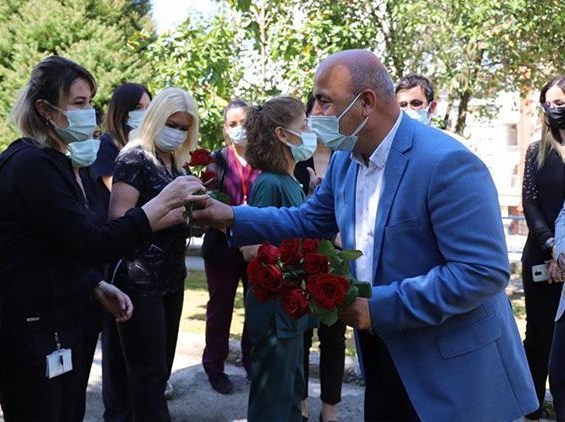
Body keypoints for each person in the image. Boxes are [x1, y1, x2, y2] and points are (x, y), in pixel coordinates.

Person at [192, 49, 538, 421]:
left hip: (453, 372)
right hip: (381, 355)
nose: (315, 115)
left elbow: (481, 272)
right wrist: (230, 216)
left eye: (324, 102)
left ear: (366, 104)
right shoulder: (346, 159)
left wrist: (377, 308)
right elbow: (308, 219)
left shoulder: (446, 163)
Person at [0, 57, 204, 422]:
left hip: (66, 322)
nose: (91, 113)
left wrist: (94, 285)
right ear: (45, 109)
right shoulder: (31, 165)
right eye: (79, 103)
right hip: (35, 330)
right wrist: (160, 205)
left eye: (91, 102)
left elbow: (60, 245)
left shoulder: (59, 163)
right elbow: (90, 240)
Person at [109, 87, 199, 421]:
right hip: (139, 279)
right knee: (146, 376)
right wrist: (177, 215)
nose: (177, 132)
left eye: (184, 127)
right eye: (172, 124)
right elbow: (118, 220)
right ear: (156, 119)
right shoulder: (135, 157)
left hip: (172, 278)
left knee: (159, 372)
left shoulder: (174, 162)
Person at [239, 96, 316, 421]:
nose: (311, 131)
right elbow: (250, 248)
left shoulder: (290, 181)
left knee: (290, 396)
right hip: (275, 314)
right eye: (304, 125)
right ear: (283, 135)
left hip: (292, 311)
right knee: (273, 403)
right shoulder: (269, 183)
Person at [92, 82, 152, 422]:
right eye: (139, 106)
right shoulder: (107, 147)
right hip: (113, 252)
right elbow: (122, 197)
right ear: (122, 111)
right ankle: (117, 411)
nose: (145, 113)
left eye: (149, 105)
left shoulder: (143, 148)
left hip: (138, 253)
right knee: (115, 339)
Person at [200, 98, 258, 394]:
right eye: (232, 124)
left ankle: (252, 363)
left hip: (258, 249)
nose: (239, 129)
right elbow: (204, 204)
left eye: (244, 122)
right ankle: (214, 366)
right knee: (220, 308)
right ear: (225, 128)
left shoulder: (266, 160)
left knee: (255, 305)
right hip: (222, 246)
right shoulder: (217, 160)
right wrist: (236, 230)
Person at [294, 94, 344, 422]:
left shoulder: (347, 159)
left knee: (334, 337)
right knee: (301, 336)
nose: (321, 118)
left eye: (328, 111)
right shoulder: (296, 163)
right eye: (315, 114)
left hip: (338, 260)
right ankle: (301, 406)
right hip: (300, 259)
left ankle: (330, 410)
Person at [530, 75, 565, 421]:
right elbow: (531, 203)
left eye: (560, 102)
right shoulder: (535, 151)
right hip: (541, 254)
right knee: (539, 337)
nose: (554, 110)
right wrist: (551, 246)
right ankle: (532, 408)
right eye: (549, 103)